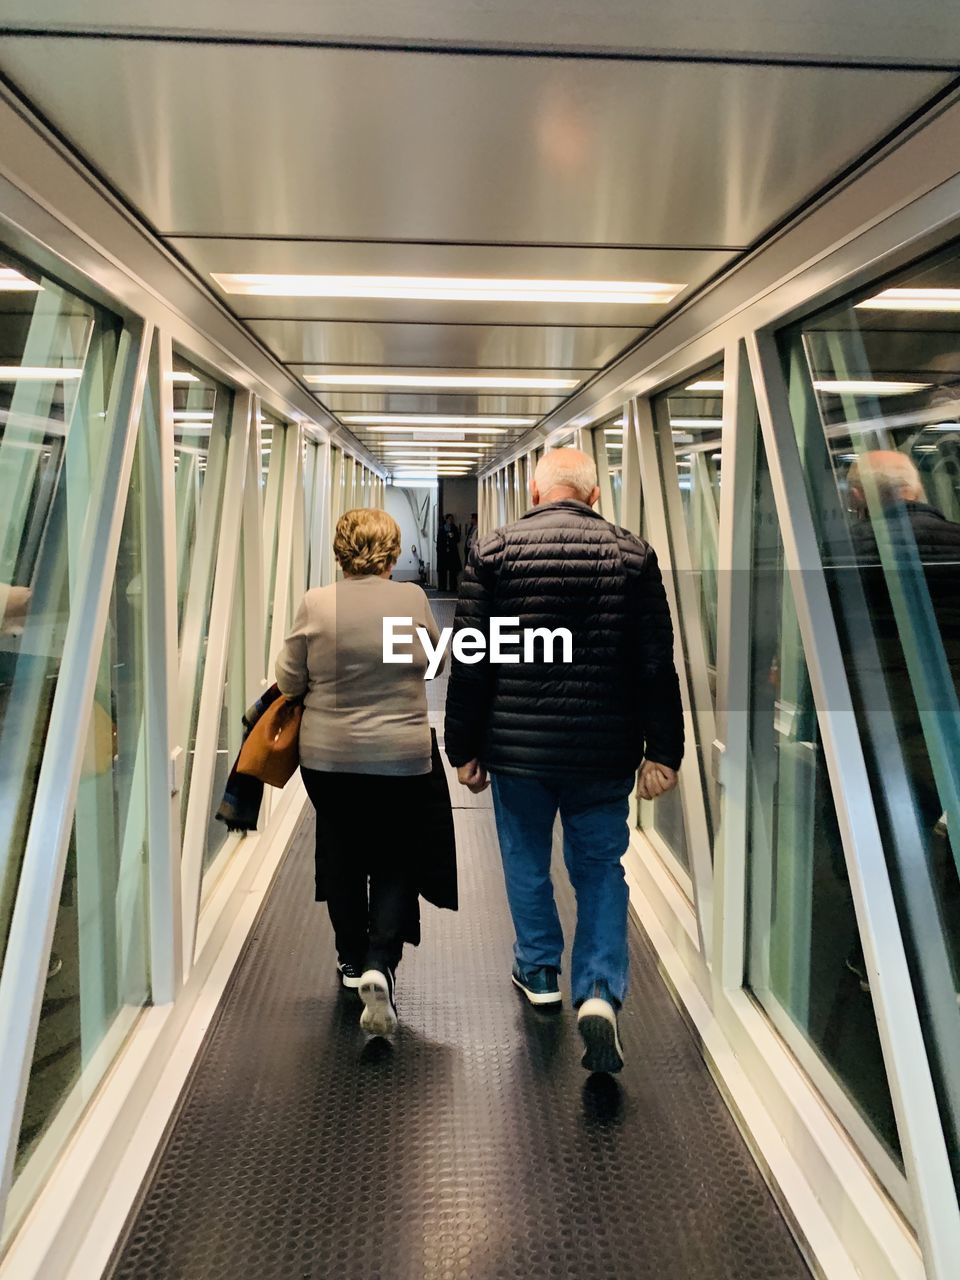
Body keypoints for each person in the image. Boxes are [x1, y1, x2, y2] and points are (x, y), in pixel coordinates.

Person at [443, 448, 684, 1073]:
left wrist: (462, 746)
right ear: (594, 497)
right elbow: (655, 662)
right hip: (603, 751)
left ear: (533, 492)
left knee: (526, 860)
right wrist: (663, 750)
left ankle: (540, 969)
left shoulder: (494, 551)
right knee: (601, 866)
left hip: (517, 748)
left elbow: (473, 657)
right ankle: (600, 987)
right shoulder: (633, 555)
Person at [276, 508, 457, 1037]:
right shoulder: (410, 600)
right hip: (401, 758)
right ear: (392, 552)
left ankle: (352, 960)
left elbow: (290, 681)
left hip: (329, 760)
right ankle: (381, 960)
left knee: (343, 852)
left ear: (339, 549)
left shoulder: (317, 603)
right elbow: (433, 665)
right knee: (397, 857)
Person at [436, 513, 462, 592]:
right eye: (449, 519)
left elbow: (458, 539)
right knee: (442, 570)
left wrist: (453, 536)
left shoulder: (454, 528)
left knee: (452, 571)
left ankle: (453, 587)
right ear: (446, 520)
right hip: (443, 552)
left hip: (452, 552)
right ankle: (442, 587)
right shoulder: (441, 529)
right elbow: (439, 541)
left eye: (452, 519)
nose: (451, 520)